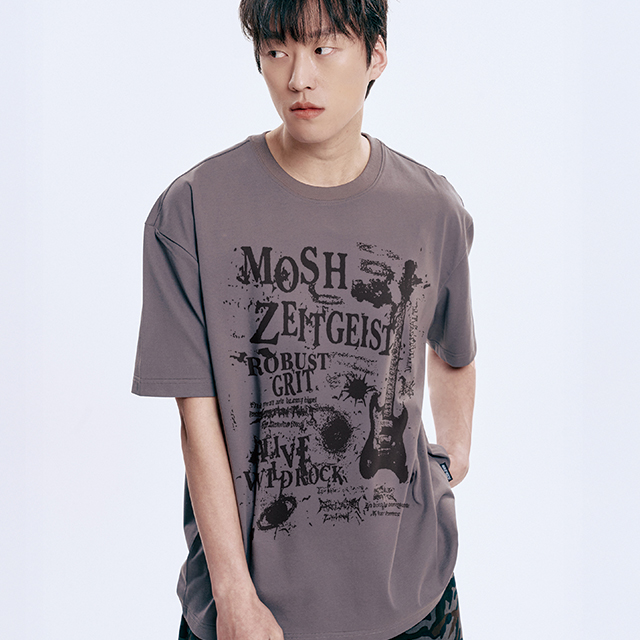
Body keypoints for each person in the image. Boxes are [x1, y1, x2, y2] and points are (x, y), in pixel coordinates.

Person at [132, 1, 476, 639]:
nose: (297, 78)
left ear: (375, 55)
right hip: (253, 612)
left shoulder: (432, 208)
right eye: (276, 50)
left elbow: (455, 349)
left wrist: (449, 459)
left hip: (413, 604)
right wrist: (233, 595)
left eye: (322, 49)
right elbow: (196, 419)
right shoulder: (193, 210)